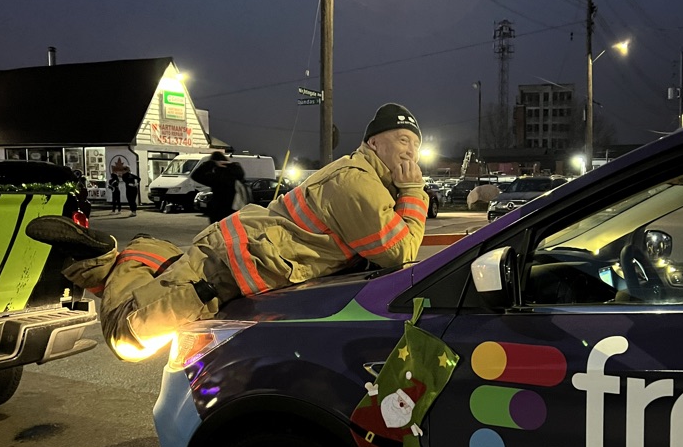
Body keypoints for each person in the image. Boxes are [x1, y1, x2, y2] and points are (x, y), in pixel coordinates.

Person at [26, 103, 428, 360]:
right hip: (228, 269)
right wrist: (414, 192)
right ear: (374, 143)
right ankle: (97, 262)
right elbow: (399, 252)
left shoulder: (368, 182)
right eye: (401, 140)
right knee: (128, 337)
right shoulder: (358, 182)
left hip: (232, 252)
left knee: (163, 276)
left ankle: (134, 256)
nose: (409, 151)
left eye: (414, 144)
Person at [190, 151, 247, 223]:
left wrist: (211, 164)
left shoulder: (215, 178)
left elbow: (196, 175)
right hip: (233, 207)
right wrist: (232, 165)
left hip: (217, 209)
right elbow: (241, 174)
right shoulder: (234, 175)